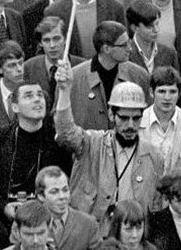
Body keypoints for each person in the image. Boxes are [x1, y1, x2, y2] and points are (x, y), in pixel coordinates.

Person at [54, 62, 164, 227]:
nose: (130, 125)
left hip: (131, 237)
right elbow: (65, 133)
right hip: (93, 236)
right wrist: (64, 90)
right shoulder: (92, 143)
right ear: (112, 115)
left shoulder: (154, 157)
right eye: (124, 118)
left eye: (136, 118)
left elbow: (156, 208)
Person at [0, 81, 72, 220]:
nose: (37, 99)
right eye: (28, 96)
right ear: (15, 107)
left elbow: (67, 181)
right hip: (4, 219)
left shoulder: (57, 140)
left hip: (48, 217)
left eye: (40, 95)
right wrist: (3, 208)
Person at [65, 20, 151, 131]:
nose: (129, 48)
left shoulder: (139, 76)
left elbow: (148, 116)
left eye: (129, 43)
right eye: (123, 45)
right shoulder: (73, 79)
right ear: (106, 49)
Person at [139, 67, 181, 172]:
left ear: (179, 93)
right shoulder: (138, 123)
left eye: (172, 92)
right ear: (151, 92)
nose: (167, 97)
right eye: (162, 91)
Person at [126, 0, 179, 75]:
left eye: (157, 24)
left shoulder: (169, 52)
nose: (156, 30)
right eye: (150, 27)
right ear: (134, 28)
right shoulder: (125, 53)